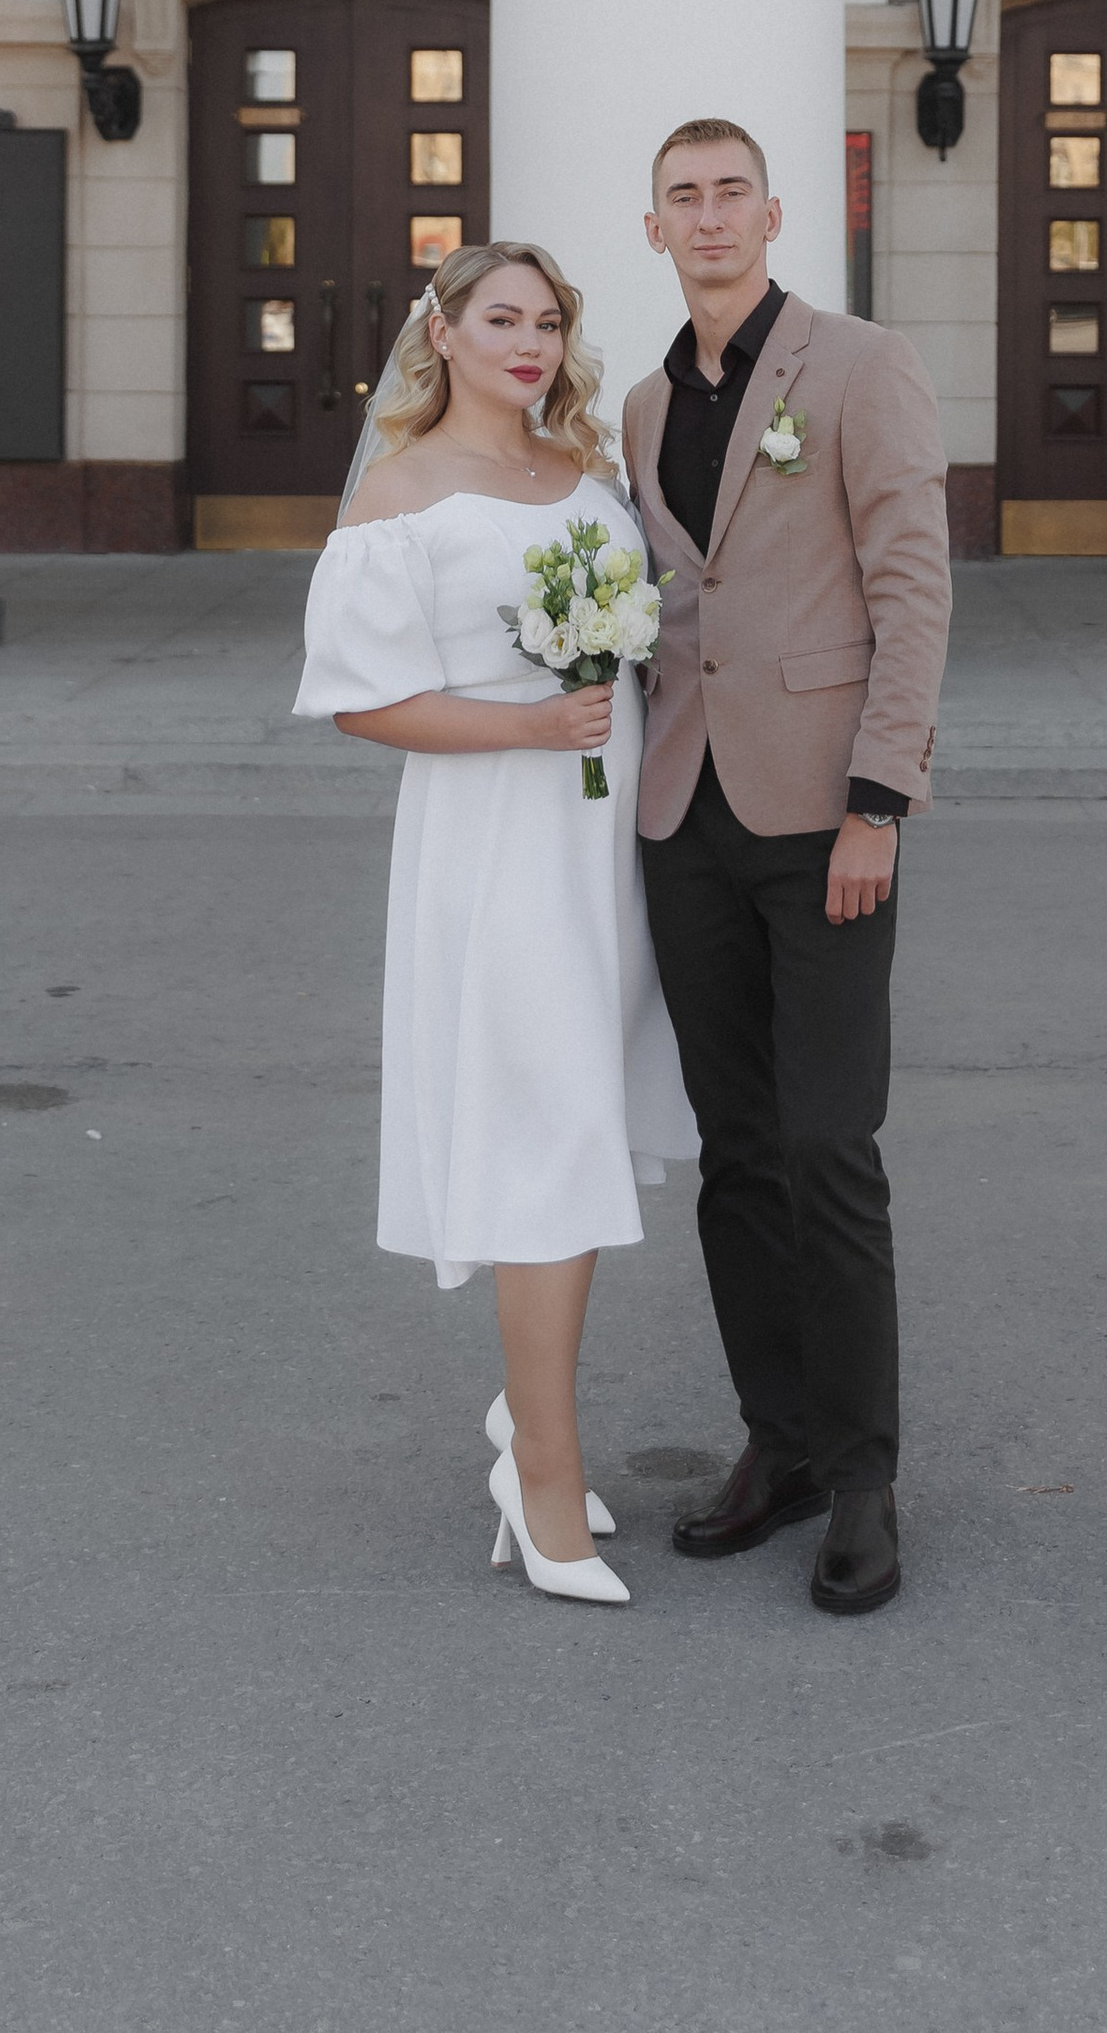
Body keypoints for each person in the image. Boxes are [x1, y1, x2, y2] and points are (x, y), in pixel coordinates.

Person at [294, 242, 694, 1611]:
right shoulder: (402, 495)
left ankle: (528, 1430)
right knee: (551, 1133)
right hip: (501, 845)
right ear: (444, 334)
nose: (528, 342)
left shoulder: (586, 476)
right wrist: (527, 725)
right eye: (501, 319)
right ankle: (540, 1467)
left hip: (604, 848)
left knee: (578, 1118)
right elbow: (359, 700)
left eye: (548, 321)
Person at [625, 118, 951, 1616]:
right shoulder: (639, 407)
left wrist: (880, 798)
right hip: (685, 819)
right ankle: (781, 1441)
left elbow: (909, 584)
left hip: (826, 818)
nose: (708, 218)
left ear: (773, 213)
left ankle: (866, 1477)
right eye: (682, 198)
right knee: (734, 1153)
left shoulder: (855, 367)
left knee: (831, 1147)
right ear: (654, 228)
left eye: (729, 194)